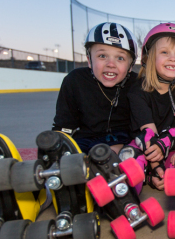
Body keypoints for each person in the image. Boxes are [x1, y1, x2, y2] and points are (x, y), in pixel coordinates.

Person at [126, 23, 175, 191]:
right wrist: (156, 166)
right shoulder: (138, 90)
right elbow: (147, 134)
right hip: (146, 145)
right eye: (164, 52)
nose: (172, 58)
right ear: (148, 58)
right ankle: (127, 200)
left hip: (171, 144)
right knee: (131, 160)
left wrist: (165, 147)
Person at [52, 22, 138, 154]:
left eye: (120, 58)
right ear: (89, 60)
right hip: (85, 139)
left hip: (123, 140)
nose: (110, 64)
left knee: (125, 154)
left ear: (130, 66)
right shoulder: (75, 80)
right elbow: (64, 124)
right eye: (102, 56)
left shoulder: (137, 83)